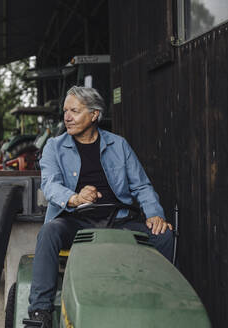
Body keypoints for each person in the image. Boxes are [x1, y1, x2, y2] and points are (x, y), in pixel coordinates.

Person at [28, 86, 174, 327]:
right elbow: (50, 185)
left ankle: (161, 302)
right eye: (65, 111)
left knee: (164, 235)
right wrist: (75, 198)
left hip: (119, 221)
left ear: (94, 115)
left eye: (74, 111)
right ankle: (39, 312)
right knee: (49, 232)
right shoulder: (54, 147)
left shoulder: (119, 145)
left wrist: (155, 215)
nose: (67, 117)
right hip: (76, 221)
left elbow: (142, 186)